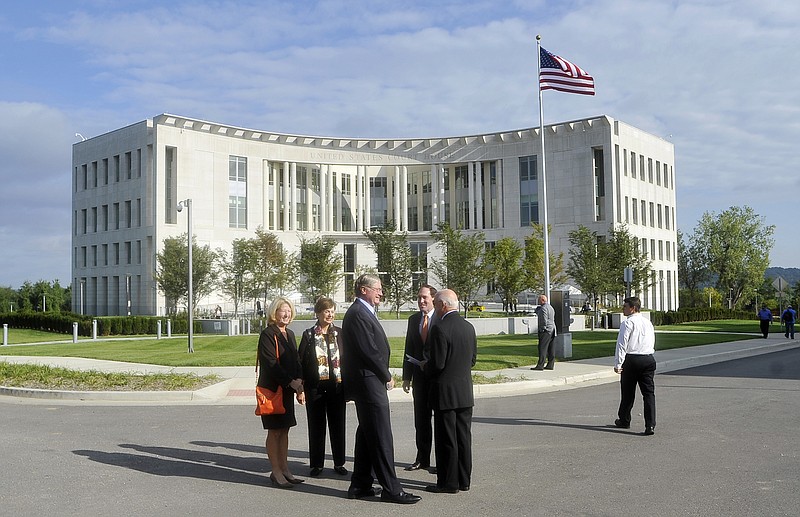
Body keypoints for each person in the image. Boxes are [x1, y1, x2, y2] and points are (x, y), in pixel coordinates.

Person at [340, 274, 421, 504]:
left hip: (368, 381)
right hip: (368, 381)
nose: (381, 293)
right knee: (381, 434)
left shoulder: (363, 311)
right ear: (364, 289)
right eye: (378, 289)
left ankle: (360, 484)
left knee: (367, 433)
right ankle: (392, 489)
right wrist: (386, 375)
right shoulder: (357, 313)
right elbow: (368, 350)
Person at [423, 289, 477, 494]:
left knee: (447, 439)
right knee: (463, 437)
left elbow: (437, 364)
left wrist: (424, 366)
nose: (434, 307)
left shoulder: (440, 328)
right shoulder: (468, 327)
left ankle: (448, 482)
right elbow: (472, 360)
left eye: (436, 303)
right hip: (464, 391)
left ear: (443, 305)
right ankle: (464, 480)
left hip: (445, 392)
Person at [257, 297, 305, 488]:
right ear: (274, 313)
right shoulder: (268, 334)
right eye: (282, 310)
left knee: (284, 431)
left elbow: (297, 361)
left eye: (288, 310)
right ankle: (275, 471)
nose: (286, 314)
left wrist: (300, 383)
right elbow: (271, 365)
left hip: (287, 390)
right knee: (274, 431)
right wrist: (291, 382)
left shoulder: (290, 334)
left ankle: (285, 469)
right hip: (272, 390)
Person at [298, 296, 347, 477]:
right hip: (315, 387)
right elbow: (300, 362)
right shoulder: (309, 335)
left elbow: (346, 360)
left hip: (336, 387)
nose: (330, 314)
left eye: (333, 311)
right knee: (316, 426)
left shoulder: (340, 333)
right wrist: (301, 388)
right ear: (318, 313)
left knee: (337, 425)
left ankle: (339, 462)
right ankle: (317, 464)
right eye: (327, 311)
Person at [402, 284, 437, 472]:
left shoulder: (440, 318)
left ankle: (441, 461)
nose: (421, 301)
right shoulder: (413, 319)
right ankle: (422, 459)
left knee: (440, 422)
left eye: (424, 298)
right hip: (419, 380)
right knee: (421, 421)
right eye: (419, 298)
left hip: (437, 379)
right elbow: (409, 349)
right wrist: (407, 377)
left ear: (433, 298)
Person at [613, 296, 656, 436]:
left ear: (632, 308)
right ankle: (650, 425)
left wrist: (618, 363)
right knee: (648, 394)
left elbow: (622, 344)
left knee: (628, 393)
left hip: (632, 359)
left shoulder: (627, 323)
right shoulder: (647, 322)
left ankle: (624, 419)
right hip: (648, 358)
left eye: (625, 306)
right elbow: (651, 341)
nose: (623, 309)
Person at [531, 294, 557, 370]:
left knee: (542, 348)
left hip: (546, 330)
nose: (538, 301)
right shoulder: (551, 307)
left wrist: (542, 329)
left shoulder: (543, 309)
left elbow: (543, 320)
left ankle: (540, 365)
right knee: (551, 348)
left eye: (539, 300)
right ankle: (550, 364)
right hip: (553, 329)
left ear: (542, 300)